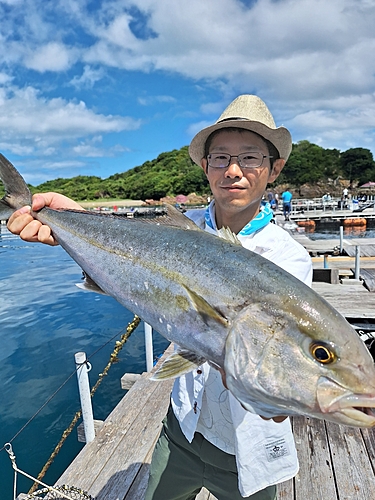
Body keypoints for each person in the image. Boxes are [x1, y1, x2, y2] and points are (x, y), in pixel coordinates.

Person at [7, 95, 312, 500]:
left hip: (248, 447)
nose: (233, 171)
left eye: (251, 158)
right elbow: (128, 259)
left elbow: (271, 385)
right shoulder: (177, 229)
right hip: (182, 426)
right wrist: (69, 218)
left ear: (274, 169)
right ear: (205, 167)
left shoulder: (287, 259)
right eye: (220, 158)